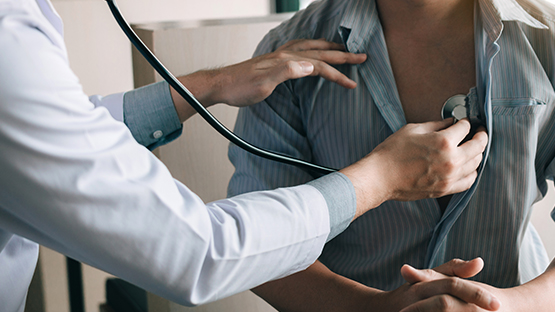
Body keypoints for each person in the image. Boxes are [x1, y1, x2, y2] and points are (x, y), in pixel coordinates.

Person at [0, 0, 493, 312]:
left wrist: (208, 87)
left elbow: (55, 132)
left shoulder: (540, 38)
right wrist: (382, 177)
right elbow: (198, 252)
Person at [228, 0, 555, 310]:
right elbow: (258, 250)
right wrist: (370, 308)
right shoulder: (286, 54)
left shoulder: (547, 38)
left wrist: (508, 307)